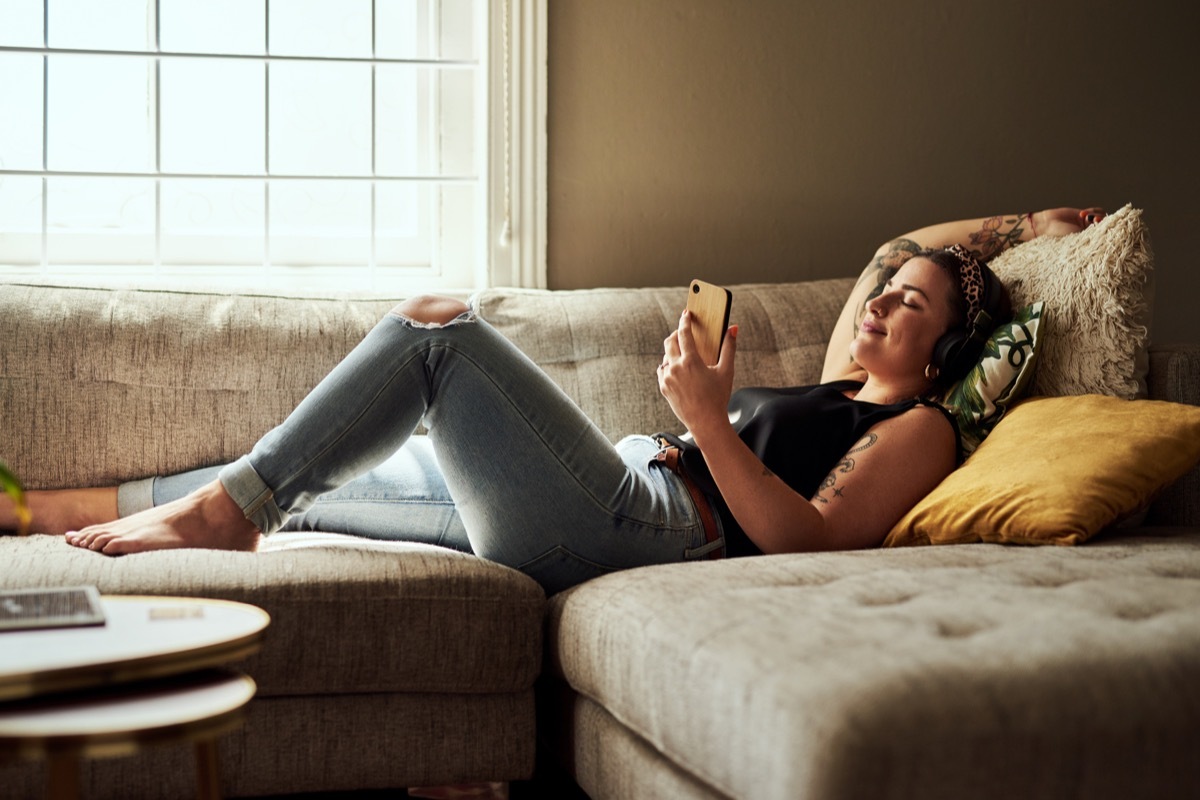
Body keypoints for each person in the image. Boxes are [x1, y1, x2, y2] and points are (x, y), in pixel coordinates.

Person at [1, 207, 1103, 594]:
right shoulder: (844, 375)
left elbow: (809, 540)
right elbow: (897, 248)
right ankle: (37, 508)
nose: (877, 304)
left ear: (949, 339)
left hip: (657, 522)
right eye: (881, 297)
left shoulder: (919, 428)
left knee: (439, 329)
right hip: (627, 481)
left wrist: (709, 421)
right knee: (325, 483)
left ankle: (222, 513)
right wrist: (1023, 225)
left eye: (906, 305)